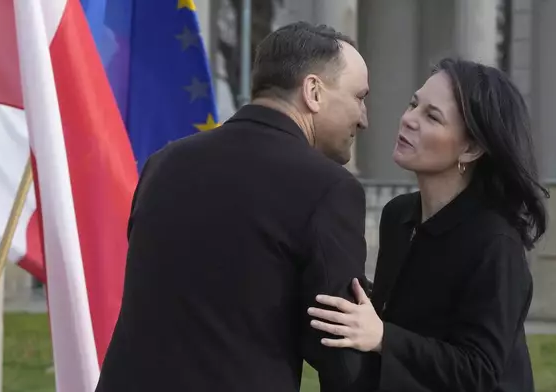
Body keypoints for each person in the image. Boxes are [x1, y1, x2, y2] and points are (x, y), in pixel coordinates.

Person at [95, 21, 374, 392]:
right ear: (313, 91)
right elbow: (338, 346)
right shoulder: (329, 188)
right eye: (359, 97)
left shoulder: (163, 164)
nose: (364, 118)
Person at [307, 57, 548, 392]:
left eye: (432, 116)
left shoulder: (495, 242)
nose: (408, 120)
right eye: (413, 104)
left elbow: (478, 371)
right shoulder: (399, 216)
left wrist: (382, 337)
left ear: (471, 148)